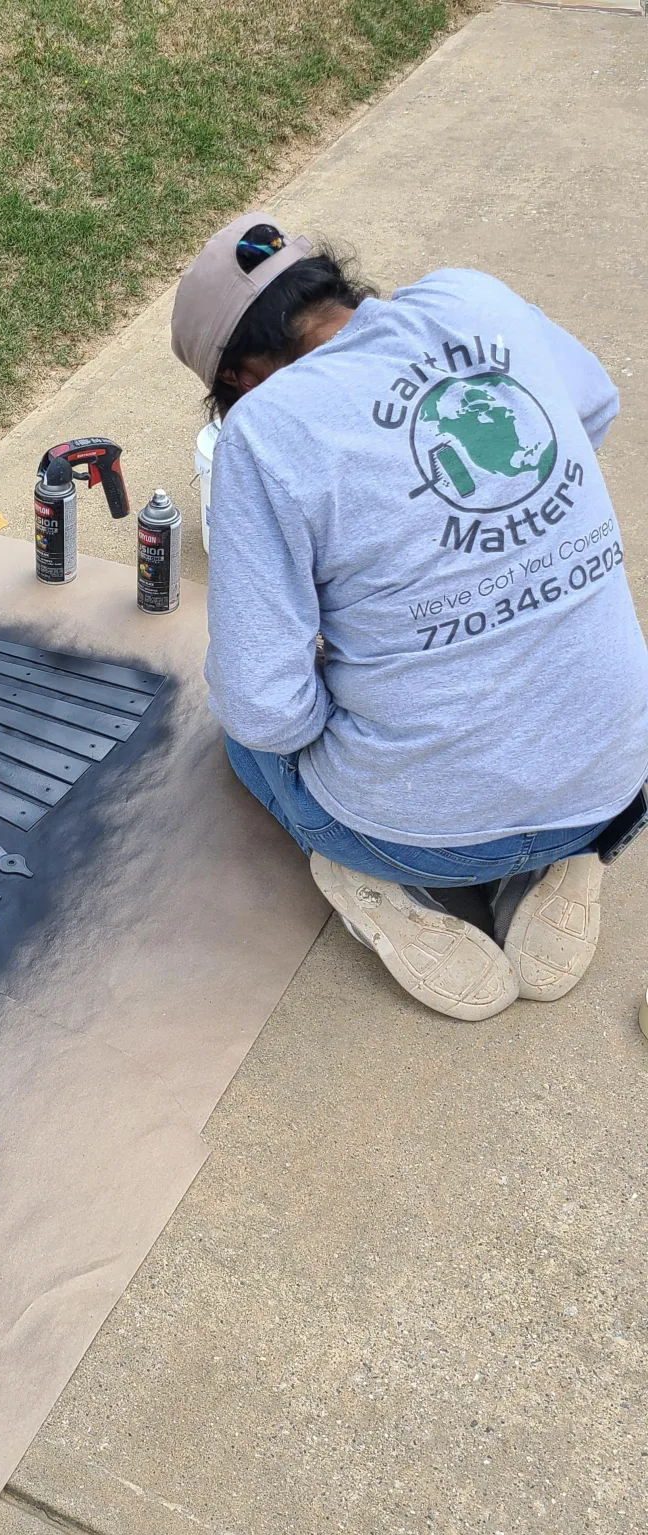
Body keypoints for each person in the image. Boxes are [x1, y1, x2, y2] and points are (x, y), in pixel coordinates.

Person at [170, 210, 648, 1021]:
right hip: (620, 788)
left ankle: (376, 879)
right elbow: (592, 406)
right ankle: (565, 858)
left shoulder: (264, 429)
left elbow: (265, 707)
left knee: (240, 741)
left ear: (241, 379)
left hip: (417, 836)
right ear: (332, 286)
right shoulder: (474, 299)